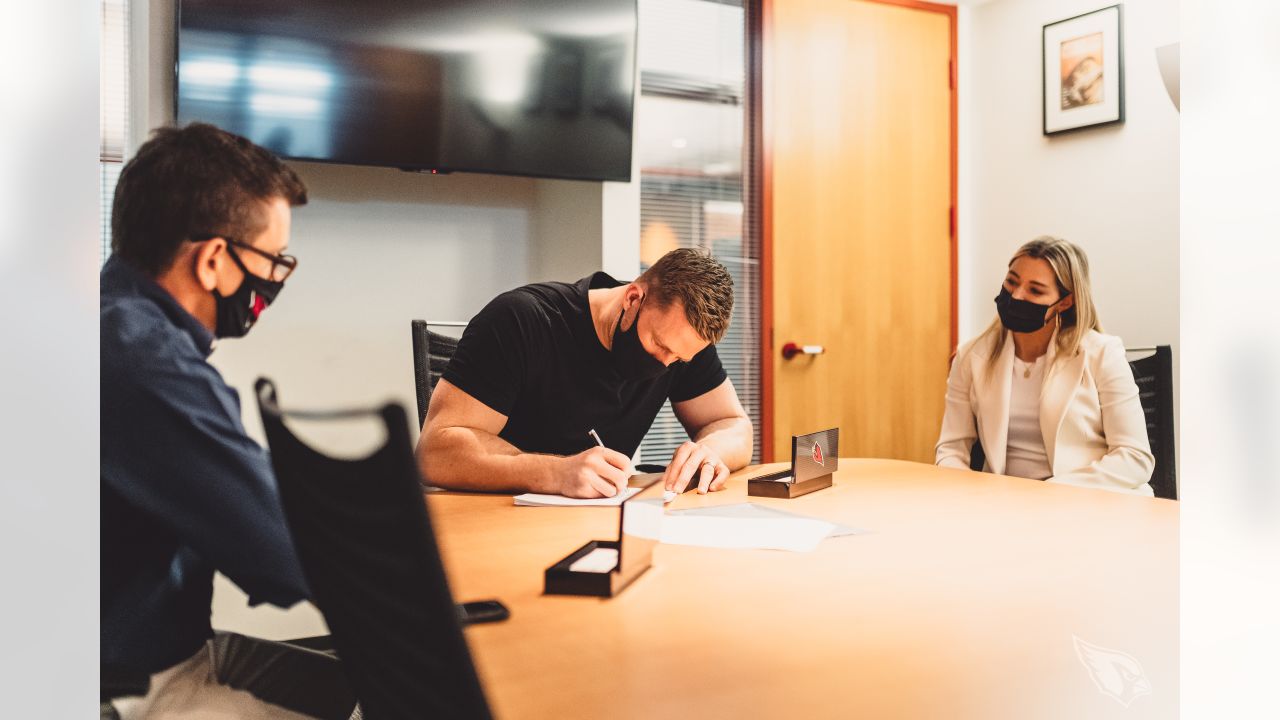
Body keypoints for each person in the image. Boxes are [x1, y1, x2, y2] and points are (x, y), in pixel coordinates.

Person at [101, 123, 350, 718]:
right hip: (128, 680)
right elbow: (282, 554)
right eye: (274, 259)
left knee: (358, 687)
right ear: (214, 258)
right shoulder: (146, 363)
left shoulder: (110, 323)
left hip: (162, 643)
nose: (276, 278)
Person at [417, 248, 754, 498]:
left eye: (679, 359)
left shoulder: (683, 343)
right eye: (659, 346)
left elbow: (734, 426)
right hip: (496, 522)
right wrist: (554, 473)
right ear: (634, 298)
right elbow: (434, 452)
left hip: (596, 527)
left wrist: (712, 451)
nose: (665, 364)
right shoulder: (522, 320)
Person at [934, 236, 1155, 494]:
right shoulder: (971, 355)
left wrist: (1048, 493)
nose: (1016, 295)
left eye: (1035, 290)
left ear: (1065, 301)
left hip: (1085, 500)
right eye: (1012, 282)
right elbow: (950, 449)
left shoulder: (1102, 353)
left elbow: (1135, 457)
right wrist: (967, 494)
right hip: (1003, 504)